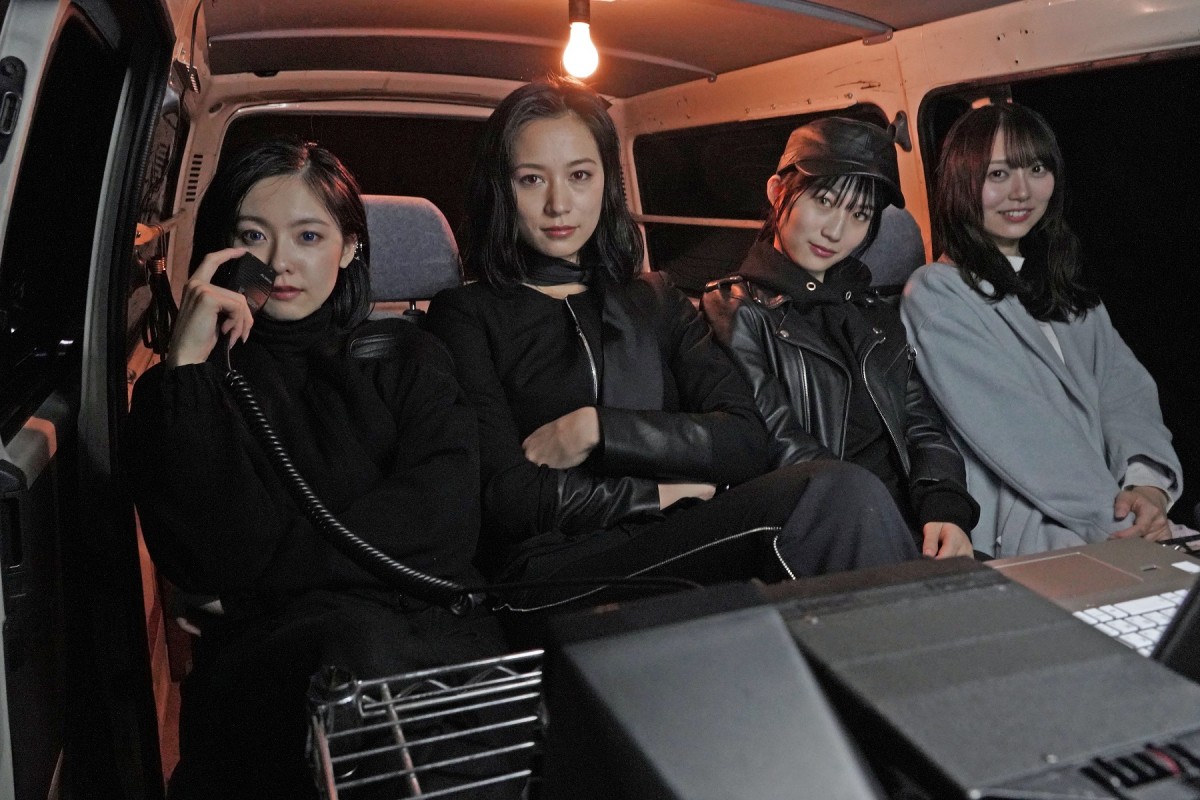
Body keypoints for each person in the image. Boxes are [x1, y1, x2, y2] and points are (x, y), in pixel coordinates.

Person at [426, 76, 919, 615]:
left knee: (838, 493)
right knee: (836, 496)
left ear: (606, 182)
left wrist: (600, 430)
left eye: (580, 175)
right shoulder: (464, 315)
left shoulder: (653, 297)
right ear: (502, 189)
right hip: (554, 572)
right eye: (531, 179)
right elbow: (507, 498)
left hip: (675, 539)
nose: (558, 203)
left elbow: (745, 439)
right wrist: (660, 495)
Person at [124, 140, 507, 799]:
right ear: (222, 247)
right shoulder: (186, 392)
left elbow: (442, 521)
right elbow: (205, 559)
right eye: (253, 235)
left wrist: (260, 579)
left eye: (308, 235)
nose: (279, 261)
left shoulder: (411, 356)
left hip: (430, 637)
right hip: (278, 663)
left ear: (350, 247)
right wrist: (186, 369)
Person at [901, 103, 1183, 557]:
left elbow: (1126, 396)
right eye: (998, 174)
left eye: (1036, 169)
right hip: (1028, 530)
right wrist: (1122, 521)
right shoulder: (937, 292)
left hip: (1115, 515)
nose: (1022, 192)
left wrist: (1146, 487)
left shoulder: (1066, 295)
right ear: (961, 182)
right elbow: (1020, 433)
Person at [702, 117, 978, 560]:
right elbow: (778, 441)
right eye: (824, 201)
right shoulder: (735, 308)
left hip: (910, 529)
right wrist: (875, 521)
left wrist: (945, 509)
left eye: (859, 214)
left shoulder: (872, 313)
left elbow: (922, 425)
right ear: (777, 192)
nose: (836, 230)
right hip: (829, 531)